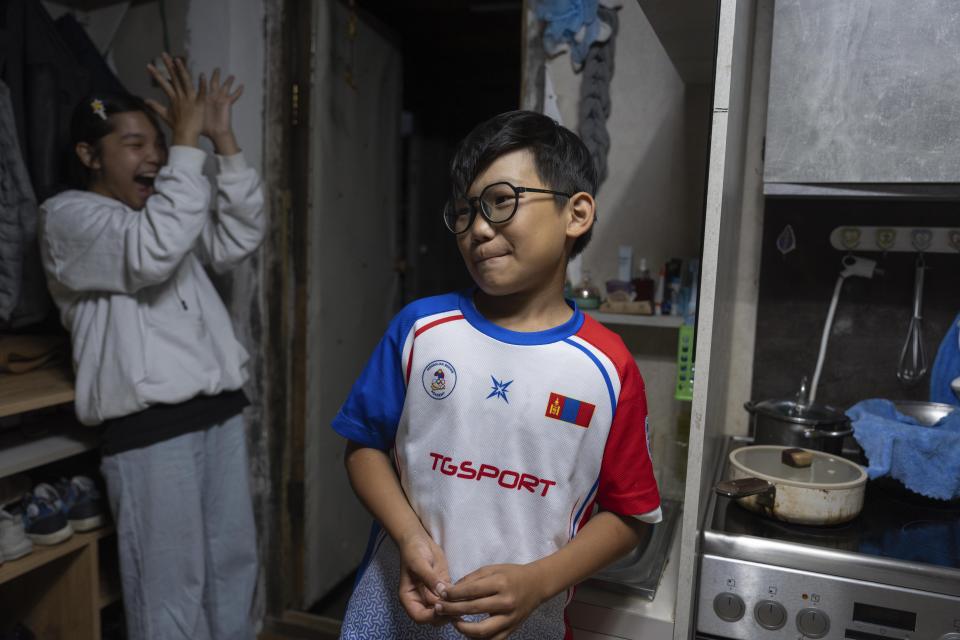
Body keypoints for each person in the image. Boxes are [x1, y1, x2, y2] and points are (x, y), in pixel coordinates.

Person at [332, 110, 661, 639]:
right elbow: (363, 447)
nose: (478, 228)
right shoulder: (421, 329)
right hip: (396, 609)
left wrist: (539, 581)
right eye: (464, 212)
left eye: (502, 201)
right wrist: (410, 538)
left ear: (575, 213)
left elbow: (628, 517)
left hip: (524, 624)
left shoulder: (607, 368)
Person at [38, 53, 264, 640]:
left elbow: (236, 237)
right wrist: (186, 140)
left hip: (218, 409)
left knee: (231, 571)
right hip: (149, 430)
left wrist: (223, 142)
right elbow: (151, 252)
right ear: (89, 155)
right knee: (171, 588)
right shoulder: (69, 218)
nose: (158, 156)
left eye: (158, 143)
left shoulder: (163, 213)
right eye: (135, 144)